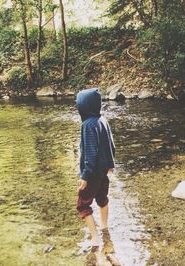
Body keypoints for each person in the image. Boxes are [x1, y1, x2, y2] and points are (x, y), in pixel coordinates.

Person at [75, 88, 115, 248]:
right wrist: (111, 164)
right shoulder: (102, 120)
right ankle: (104, 228)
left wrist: (84, 176)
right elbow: (111, 144)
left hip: (92, 172)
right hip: (103, 170)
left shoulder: (87, 125)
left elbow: (90, 154)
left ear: (84, 106)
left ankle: (95, 238)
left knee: (83, 205)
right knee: (102, 198)